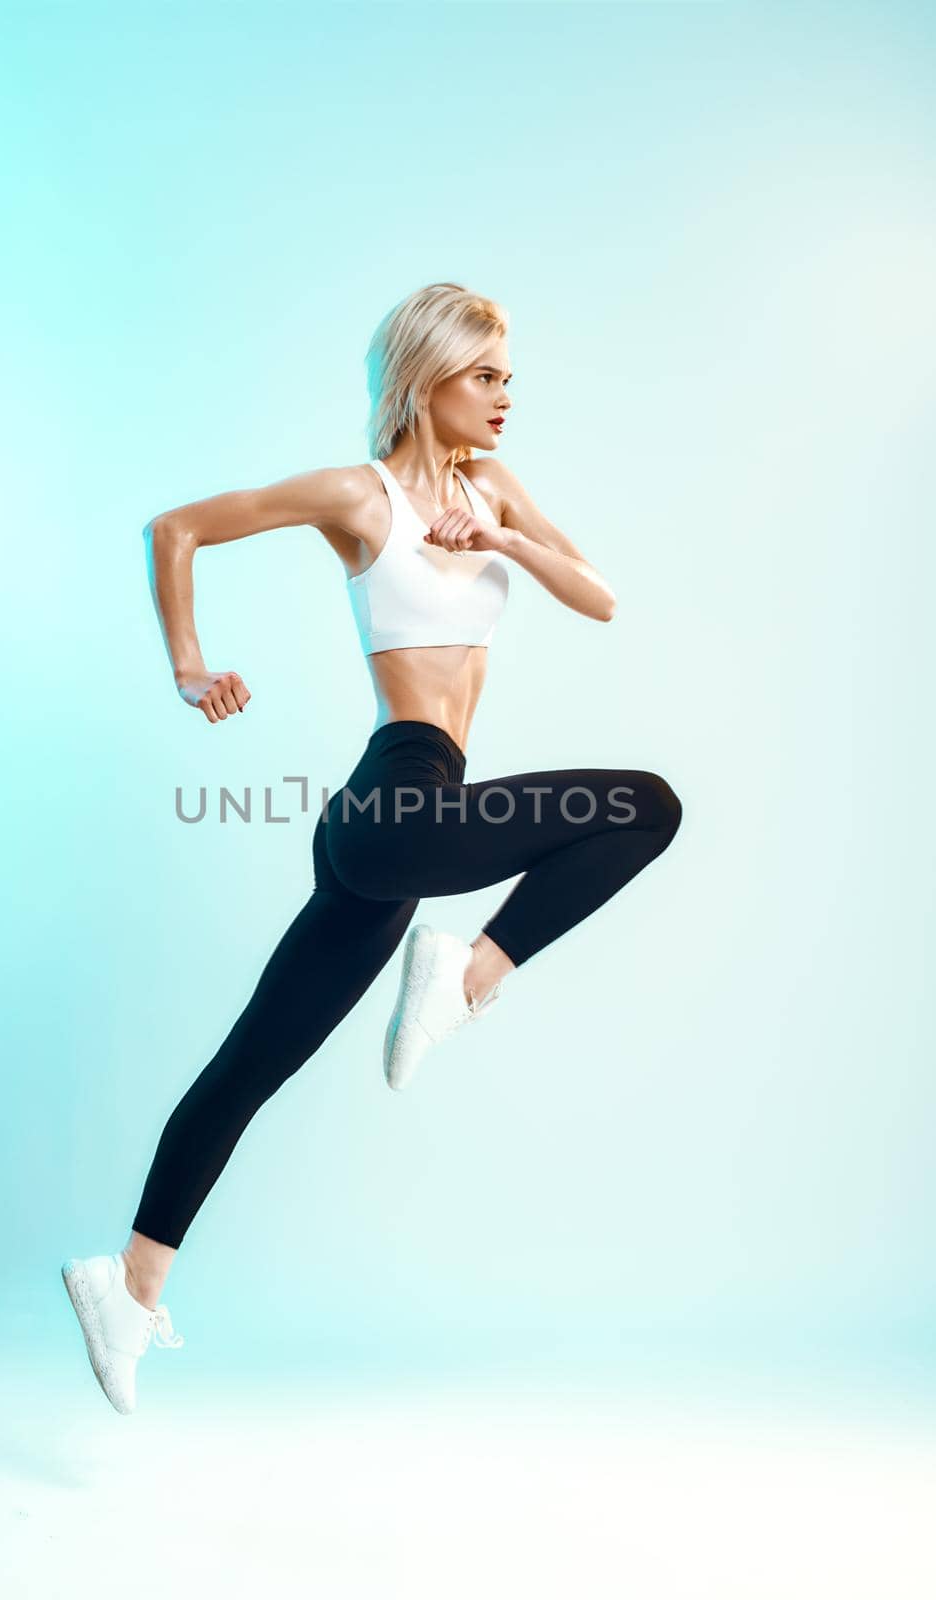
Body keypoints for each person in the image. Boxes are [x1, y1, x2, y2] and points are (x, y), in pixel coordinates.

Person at [62, 282, 683, 1413]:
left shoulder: (493, 490)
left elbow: (598, 596)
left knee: (258, 1057)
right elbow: (179, 528)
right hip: (394, 802)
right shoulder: (361, 497)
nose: (505, 398)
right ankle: (465, 974)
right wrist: (190, 666)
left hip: (400, 824)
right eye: (485, 375)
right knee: (644, 802)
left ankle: (128, 1280)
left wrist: (501, 535)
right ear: (426, 377)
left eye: (509, 378)